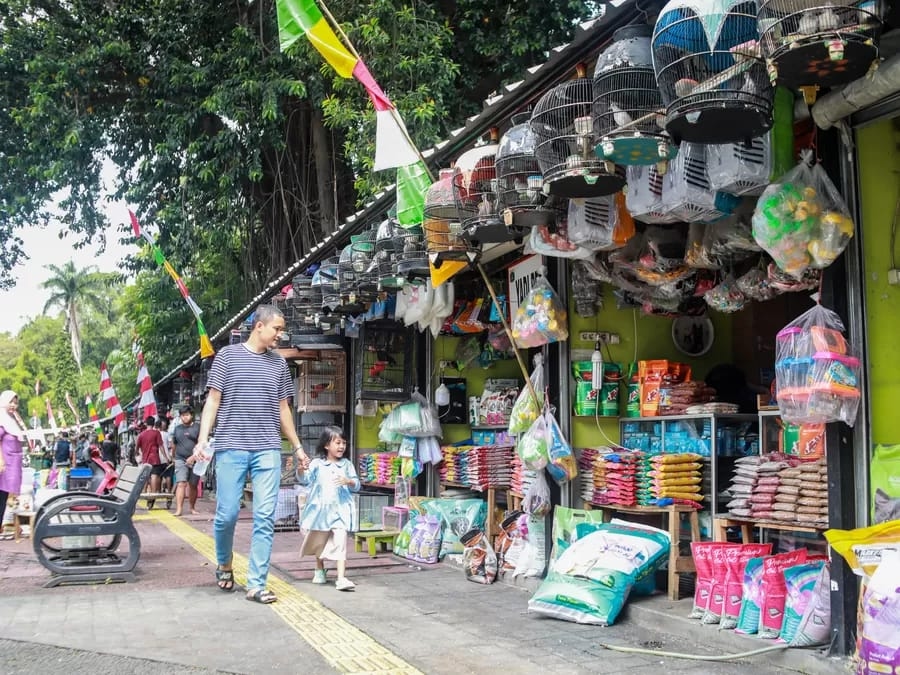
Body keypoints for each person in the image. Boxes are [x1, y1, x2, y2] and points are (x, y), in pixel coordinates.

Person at [194, 304, 309, 603]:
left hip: (267, 449)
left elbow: (284, 409)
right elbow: (212, 401)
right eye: (277, 329)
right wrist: (203, 439)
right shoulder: (227, 357)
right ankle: (224, 562)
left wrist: (297, 447)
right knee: (227, 514)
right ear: (259, 326)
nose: (280, 335)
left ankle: (257, 583)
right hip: (230, 447)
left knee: (264, 516)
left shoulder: (279, 365)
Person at [297, 426, 360, 591]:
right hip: (320, 511)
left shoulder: (347, 464)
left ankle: (341, 578)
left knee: (341, 540)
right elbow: (305, 480)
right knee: (320, 540)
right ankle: (319, 569)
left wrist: (349, 481)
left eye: (344, 443)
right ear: (326, 445)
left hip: (341, 510)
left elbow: (357, 485)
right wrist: (301, 470)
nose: (341, 446)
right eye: (337, 442)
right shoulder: (317, 464)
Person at [0, 391, 26, 540]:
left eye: (15, 402)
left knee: (7, 496)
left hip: (13, 465)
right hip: (4, 466)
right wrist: (1, 460)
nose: (13, 405)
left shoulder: (11, 420)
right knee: (2, 496)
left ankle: (7, 525)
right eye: (11, 402)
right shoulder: (1, 419)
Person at [171, 405, 201, 517]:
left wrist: (193, 457)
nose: (185, 417)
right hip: (180, 459)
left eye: (187, 415)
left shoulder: (197, 427)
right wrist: (173, 457)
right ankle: (179, 509)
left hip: (196, 459)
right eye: (183, 415)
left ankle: (192, 508)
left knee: (193, 484)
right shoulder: (177, 428)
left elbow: (201, 444)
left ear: (191, 415)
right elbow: (174, 444)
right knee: (181, 483)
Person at [136, 416, 167, 493]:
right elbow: (161, 446)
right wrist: (166, 457)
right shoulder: (157, 433)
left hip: (145, 459)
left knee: (146, 476)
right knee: (154, 476)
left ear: (146, 424)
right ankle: (153, 495)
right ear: (153, 424)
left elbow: (136, 447)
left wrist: (137, 454)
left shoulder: (141, 435)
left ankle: (144, 492)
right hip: (155, 459)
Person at [157, 418, 174, 493]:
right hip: (167, 457)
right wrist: (171, 456)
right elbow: (171, 445)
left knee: (158, 475)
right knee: (168, 475)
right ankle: (169, 491)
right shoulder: (167, 435)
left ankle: (159, 490)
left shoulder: (156, 434)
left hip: (157, 458)